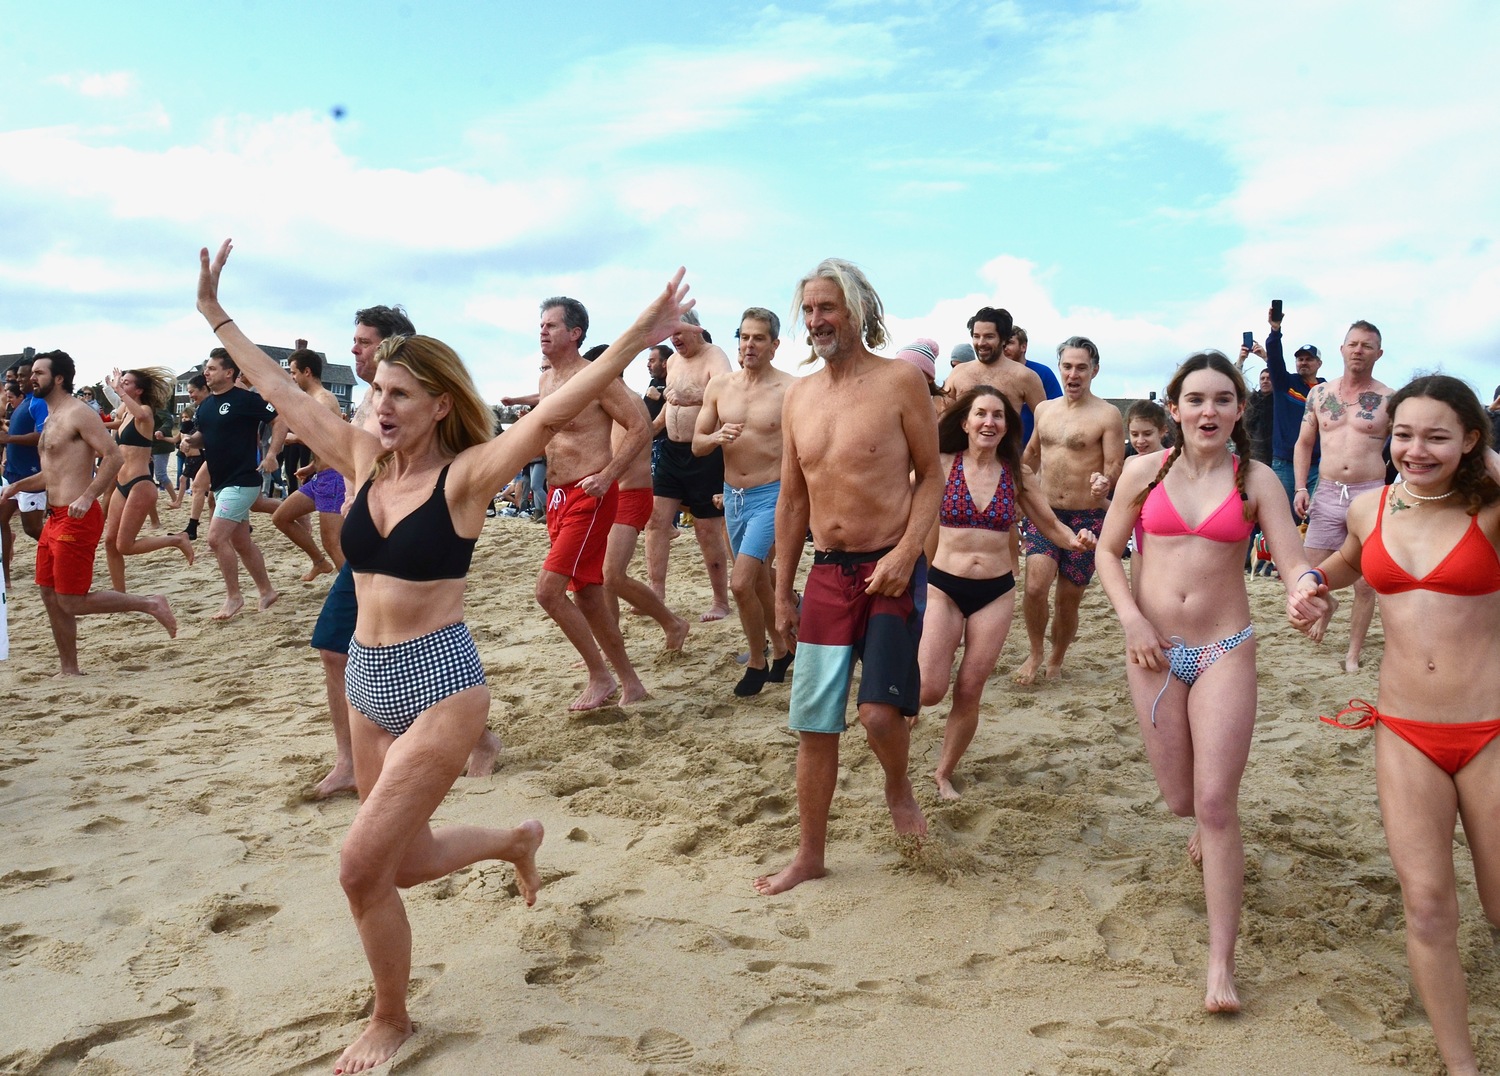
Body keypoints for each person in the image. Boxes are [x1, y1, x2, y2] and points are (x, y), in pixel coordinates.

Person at [197, 238, 694, 1075]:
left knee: (361, 868)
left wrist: (641, 332)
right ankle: (513, 840)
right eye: (375, 392)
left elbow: (545, 415)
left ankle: (391, 1018)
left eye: (399, 394)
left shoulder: (465, 479)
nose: (380, 406)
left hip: (439, 683)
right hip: (366, 680)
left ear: (436, 407)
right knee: (412, 858)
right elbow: (278, 386)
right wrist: (216, 313)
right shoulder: (357, 460)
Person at [1288, 375, 1500, 1076]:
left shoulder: (1492, 508)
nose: (1415, 449)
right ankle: (1462, 1066)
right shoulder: (1371, 508)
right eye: (1403, 434)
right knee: (1431, 907)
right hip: (1405, 730)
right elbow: (1347, 566)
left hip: (1491, 730)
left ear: (1471, 441)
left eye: (1438, 436)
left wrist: (1484, 459)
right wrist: (1313, 586)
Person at [1096, 350, 1315, 1013]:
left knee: (1216, 804)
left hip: (1225, 648)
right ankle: (1203, 827)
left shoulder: (1255, 481)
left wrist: (1306, 592)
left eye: (1223, 399)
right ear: (1175, 407)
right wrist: (1132, 618)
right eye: (1196, 399)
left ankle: (1221, 962)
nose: (1209, 410)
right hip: (1154, 655)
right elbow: (1108, 552)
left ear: (1239, 409)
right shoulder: (1143, 471)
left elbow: (1294, 560)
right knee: (1180, 801)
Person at [754, 258, 938, 897]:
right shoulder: (798, 396)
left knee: (880, 716)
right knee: (814, 722)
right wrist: (781, 588)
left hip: (889, 569)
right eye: (808, 309)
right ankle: (809, 855)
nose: (815, 320)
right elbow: (792, 500)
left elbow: (931, 475)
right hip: (828, 572)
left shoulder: (899, 384)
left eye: (826, 307)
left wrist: (907, 552)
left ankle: (898, 785)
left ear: (857, 311)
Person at [919, 386, 1094, 799]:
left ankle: (943, 772)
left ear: (1006, 426)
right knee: (929, 689)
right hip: (944, 586)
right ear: (965, 422)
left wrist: (1077, 541)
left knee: (970, 688)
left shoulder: (1017, 473)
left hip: (995, 592)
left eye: (998, 416)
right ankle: (910, 709)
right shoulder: (941, 465)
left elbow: (1050, 526)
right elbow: (896, 504)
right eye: (981, 414)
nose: (989, 422)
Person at [2, 351, 176, 675]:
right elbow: (51, 476)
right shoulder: (52, 417)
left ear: (58, 378)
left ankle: (151, 603)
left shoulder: (79, 413)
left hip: (76, 517)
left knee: (71, 600)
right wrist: (17, 486)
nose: (31, 378)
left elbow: (113, 457)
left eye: (38, 373)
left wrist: (87, 496)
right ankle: (69, 668)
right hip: (54, 517)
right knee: (49, 593)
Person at [534, 295, 653, 710]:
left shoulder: (597, 377)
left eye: (551, 325)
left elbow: (641, 426)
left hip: (590, 495)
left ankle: (599, 676)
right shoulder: (547, 378)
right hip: (556, 498)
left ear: (575, 333)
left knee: (547, 593)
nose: (543, 331)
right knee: (587, 595)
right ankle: (630, 682)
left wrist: (609, 475)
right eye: (541, 325)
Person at [693, 307, 795, 696]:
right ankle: (785, 649)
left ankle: (757, 660)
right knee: (760, 582)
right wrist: (717, 437)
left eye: (758, 338)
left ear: (774, 345)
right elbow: (698, 445)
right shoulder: (720, 386)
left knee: (740, 584)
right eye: (744, 337)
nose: (749, 345)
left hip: (773, 494)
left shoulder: (790, 389)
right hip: (733, 496)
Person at [1015, 336, 1123, 684]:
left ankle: (1057, 658)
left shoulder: (1107, 415)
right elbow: (1031, 455)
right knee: (1034, 586)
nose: (1073, 374)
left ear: (1094, 370)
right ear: (1059, 367)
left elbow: (1115, 465)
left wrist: (1104, 482)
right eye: (1067, 366)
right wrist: (1012, 485)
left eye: (1081, 367)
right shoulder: (1045, 409)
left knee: (1067, 599)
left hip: (1087, 518)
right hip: (1046, 514)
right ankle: (1035, 652)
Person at [1294, 320, 1393, 672]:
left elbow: (1409, 444)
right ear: (1342, 349)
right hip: (1328, 490)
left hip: (1369, 494)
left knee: (1367, 582)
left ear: (1378, 353)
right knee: (1308, 572)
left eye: (1366, 346)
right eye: (1353, 344)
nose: (1358, 350)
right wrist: (1301, 486)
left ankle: (1353, 653)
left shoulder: (1389, 399)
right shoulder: (1320, 395)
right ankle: (1329, 605)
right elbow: (1304, 442)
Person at [646, 309, 734, 622]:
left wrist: (697, 395)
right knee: (656, 521)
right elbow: (670, 404)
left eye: (679, 331)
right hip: (671, 451)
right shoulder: (671, 362)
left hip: (705, 453)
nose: (675, 339)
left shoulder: (715, 357)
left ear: (696, 328)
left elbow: (728, 399)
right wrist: (648, 430)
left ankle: (720, 601)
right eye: (670, 333)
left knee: (706, 529)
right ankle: (656, 593)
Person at [101, 367, 194, 591]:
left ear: (139, 390)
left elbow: (142, 415)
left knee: (125, 545)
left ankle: (177, 539)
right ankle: (119, 593)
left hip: (140, 483)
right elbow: (117, 421)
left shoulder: (145, 411)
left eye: (126, 382)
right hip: (121, 484)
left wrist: (118, 391)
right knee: (110, 543)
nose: (121, 385)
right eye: (121, 381)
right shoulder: (126, 410)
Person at [270, 349, 345, 581]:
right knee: (281, 517)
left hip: (334, 478)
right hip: (320, 477)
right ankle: (319, 563)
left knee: (332, 543)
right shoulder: (314, 400)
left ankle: (354, 593)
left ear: (307, 371)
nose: (292, 377)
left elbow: (330, 438)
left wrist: (293, 437)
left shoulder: (322, 400)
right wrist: (312, 467)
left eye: (293, 372)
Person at [1264, 306, 1325, 514]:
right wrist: (1275, 331)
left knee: (1315, 519)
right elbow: (1274, 359)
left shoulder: (1328, 391)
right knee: (1282, 518)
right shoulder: (1285, 383)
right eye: (1300, 359)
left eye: (1309, 359)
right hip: (1285, 464)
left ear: (1319, 363)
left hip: (1318, 465)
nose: (1303, 363)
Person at [945, 306, 1045, 422]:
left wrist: (1029, 441)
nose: (981, 343)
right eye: (976, 336)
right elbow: (942, 417)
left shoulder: (1025, 376)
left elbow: (1044, 423)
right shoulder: (958, 372)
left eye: (989, 337)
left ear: (1003, 339)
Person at [2, 360, 47, 589]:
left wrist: (9, 439)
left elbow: (42, 436)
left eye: (23, 375)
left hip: (31, 476)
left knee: (32, 528)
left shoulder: (38, 403)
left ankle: (63, 552)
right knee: (1, 520)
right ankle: (5, 579)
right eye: (17, 376)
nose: (18, 379)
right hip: (13, 474)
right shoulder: (24, 402)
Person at [1002, 326, 1064, 445]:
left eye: (1009, 343)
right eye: (1002, 344)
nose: (1005, 348)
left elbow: (1057, 412)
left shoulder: (1042, 373)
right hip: (1002, 451)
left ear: (1023, 346)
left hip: (1035, 448)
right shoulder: (995, 375)